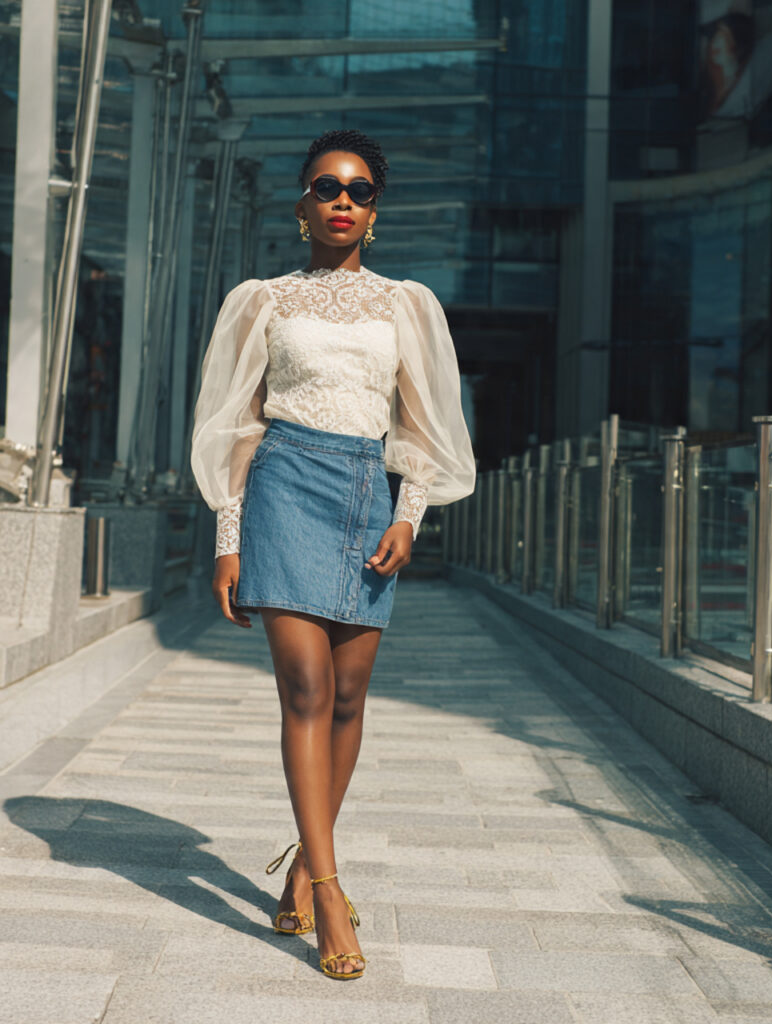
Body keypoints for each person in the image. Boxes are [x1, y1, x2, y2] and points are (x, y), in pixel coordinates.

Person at [190, 128, 476, 979]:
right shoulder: (261, 300)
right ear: (301, 204)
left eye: (358, 190)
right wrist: (227, 539)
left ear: (374, 212)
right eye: (326, 186)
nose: (342, 200)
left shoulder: (407, 305)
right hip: (283, 484)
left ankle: (303, 874)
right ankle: (330, 892)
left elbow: (422, 424)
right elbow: (235, 423)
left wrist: (410, 516)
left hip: (366, 493)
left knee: (349, 697)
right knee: (305, 688)